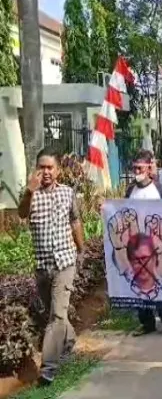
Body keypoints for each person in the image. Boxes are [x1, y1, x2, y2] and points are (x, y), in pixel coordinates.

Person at [18, 148, 85, 385]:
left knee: (56, 316)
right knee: (55, 312)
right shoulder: (30, 195)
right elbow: (22, 214)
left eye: (50, 167)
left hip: (65, 262)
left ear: (58, 170)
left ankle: (48, 368)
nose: (46, 172)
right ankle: (68, 341)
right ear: (36, 169)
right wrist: (29, 191)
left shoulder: (68, 193)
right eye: (42, 167)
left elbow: (75, 220)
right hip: (43, 266)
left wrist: (81, 248)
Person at [124, 150, 162, 341]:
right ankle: (146, 323)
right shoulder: (130, 190)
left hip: (155, 249)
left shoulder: (159, 190)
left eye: (140, 167)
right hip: (136, 247)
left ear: (149, 168)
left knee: (159, 287)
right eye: (134, 168)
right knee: (140, 288)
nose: (136, 171)